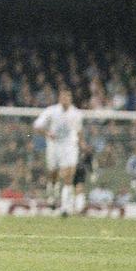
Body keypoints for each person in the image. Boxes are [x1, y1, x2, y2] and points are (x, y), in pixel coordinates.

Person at [33, 88, 84, 217]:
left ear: (70, 98)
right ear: (59, 98)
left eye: (67, 97)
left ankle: (65, 208)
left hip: (70, 146)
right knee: (53, 174)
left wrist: (81, 143)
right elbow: (37, 126)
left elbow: (79, 131)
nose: (65, 99)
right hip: (54, 146)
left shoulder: (76, 113)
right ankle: (52, 196)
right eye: (63, 97)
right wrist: (47, 133)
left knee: (69, 175)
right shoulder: (51, 111)